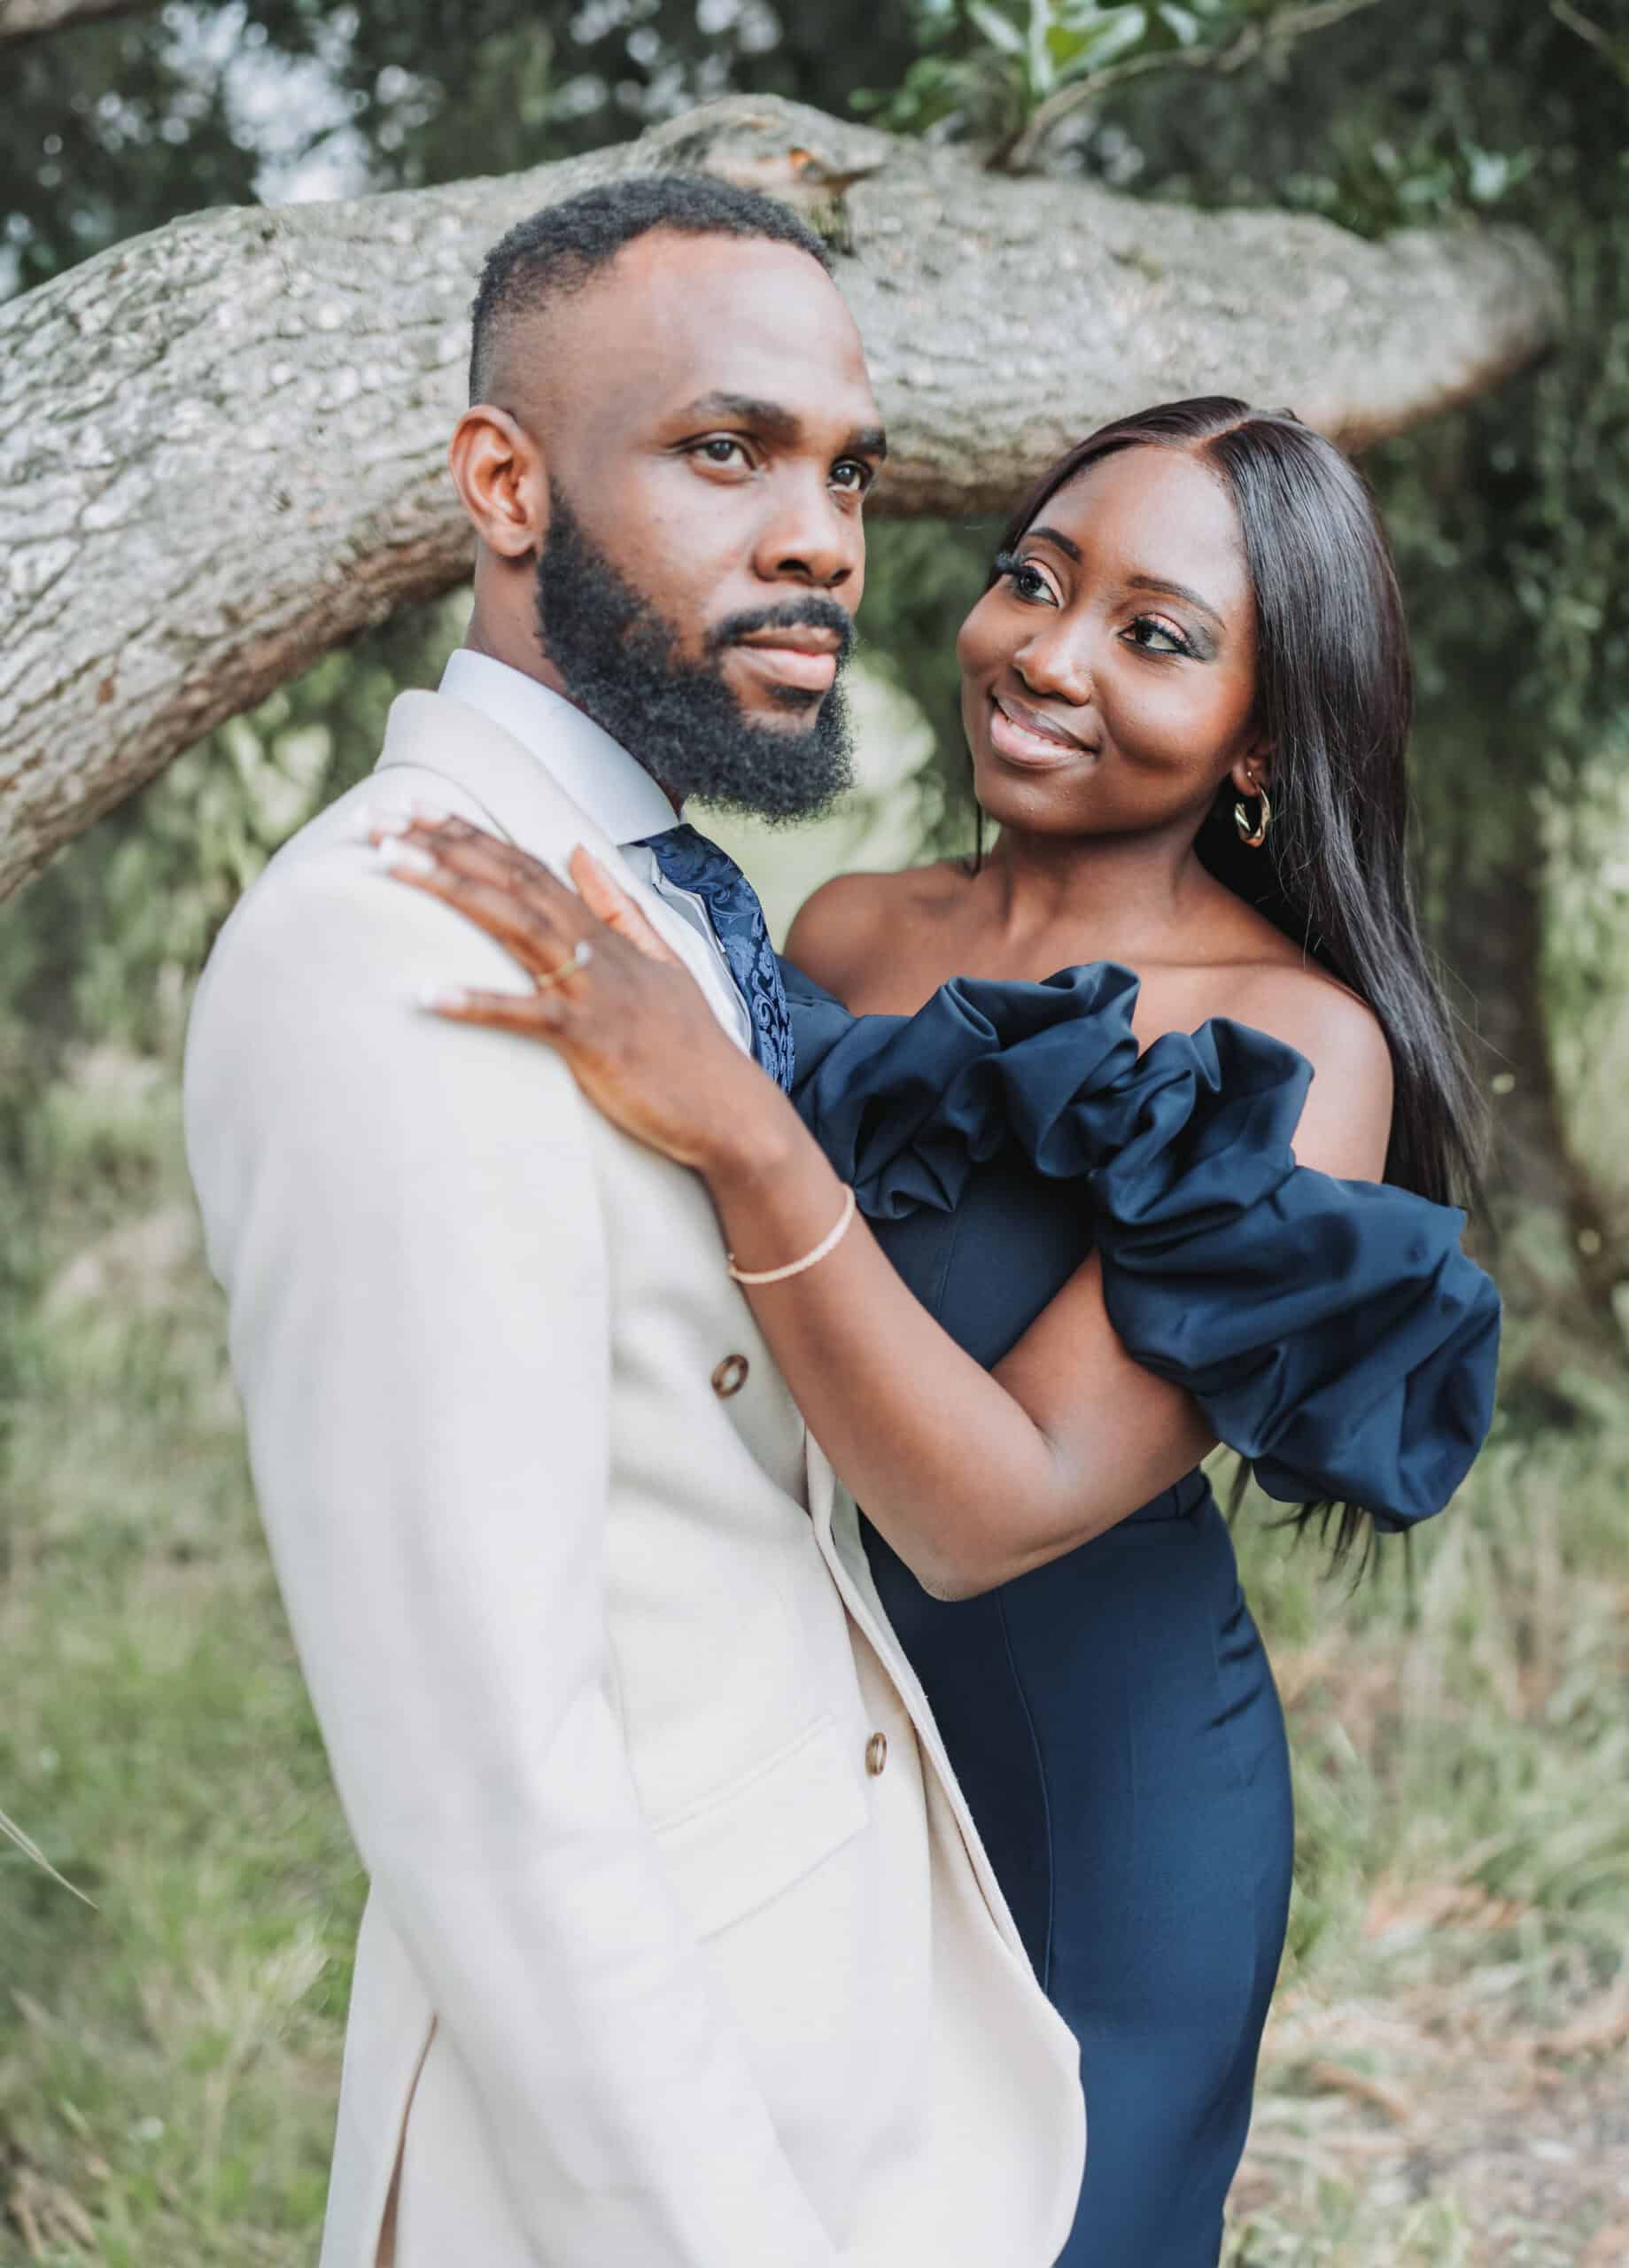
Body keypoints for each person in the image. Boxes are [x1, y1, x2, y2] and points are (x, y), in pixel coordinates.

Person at [376, 396, 1502, 2266]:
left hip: (1097, 1803)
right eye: (1029, 580)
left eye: (1152, 636)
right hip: (801, 1744)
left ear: (1262, 739)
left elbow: (994, 1507)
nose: (1045, 655)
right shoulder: (848, 933)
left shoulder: (1290, 1045)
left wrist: (737, 1124)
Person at [183, 176, 1086, 2268]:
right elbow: (486, 1782)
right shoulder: (388, 940)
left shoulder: (651, 889)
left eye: (845, 469)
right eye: (723, 449)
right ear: (501, 479)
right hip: (632, 2160)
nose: (822, 539)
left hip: (835, 2046)